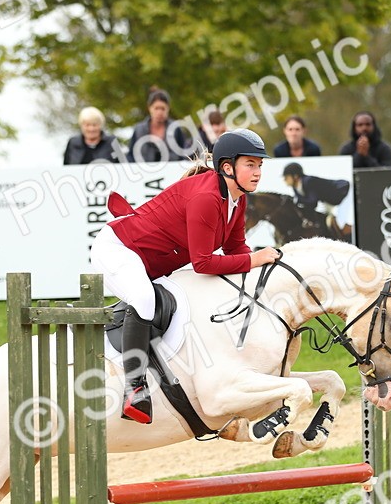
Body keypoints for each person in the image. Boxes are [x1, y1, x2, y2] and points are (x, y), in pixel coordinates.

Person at [90, 129, 281, 424]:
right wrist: (254, 259)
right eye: (250, 165)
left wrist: (257, 268)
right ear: (227, 168)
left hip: (149, 261)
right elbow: (203, 263)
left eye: (260, 166)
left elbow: (235, 249)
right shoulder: (206, 197)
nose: (257, 173)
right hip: (117, 250)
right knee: (143, 300)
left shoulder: (237, 200)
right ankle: (135, 389)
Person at [128, 88, 196, 163]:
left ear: (168, 109)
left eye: (163, 108)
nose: (159, 112)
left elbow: (184, 155)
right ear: (149, 108)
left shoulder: (176, 129)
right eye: (156, 108)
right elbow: (131, 156)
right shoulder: (139, 129)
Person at [281, 162, 350, 234]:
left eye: (286, 177)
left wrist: (297, 201)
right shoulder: (295, 188)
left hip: (344, 192)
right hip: (330, 201)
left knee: (340, 225)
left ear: (295, 176)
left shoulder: (308, 181)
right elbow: (307, 205)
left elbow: (313, 202)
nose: (284, 180)